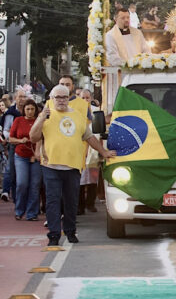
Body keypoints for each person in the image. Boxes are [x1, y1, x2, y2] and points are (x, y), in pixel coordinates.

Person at [30, 85, 116, 246]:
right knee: (53, 201)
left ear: (68, 98)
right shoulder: (45, 115)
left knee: (71, 202)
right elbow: (33, 137)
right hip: (51, 166)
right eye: (58, 97)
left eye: (64, 97)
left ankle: (70, 231)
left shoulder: (77, 115)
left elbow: (89, 137)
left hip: (73, 167)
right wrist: (41, 118)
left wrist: (104, 152)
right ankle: (54, 235)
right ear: (51, 98)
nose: (61, 100)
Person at [9, 99, 41, 221]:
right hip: (21, 155)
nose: (30, 111)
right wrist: (20, 141)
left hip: (35, 156)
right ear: (24, 110)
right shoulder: (18, 120)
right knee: (22, 183)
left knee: (35, 184)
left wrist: (37, 152)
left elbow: (42, 138)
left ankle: (32, 213)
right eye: (27, 109)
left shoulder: (39, 121)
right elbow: (11, 138)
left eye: (32, 109)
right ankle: (19, 210)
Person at [1, 88, 26, 202]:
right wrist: (10, 138)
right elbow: (6, 130)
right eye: (20, 97)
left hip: (27, 145)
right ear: (15, 98)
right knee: (12, 170)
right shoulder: (11, 113)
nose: (22, 99)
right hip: (14, 144)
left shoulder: (28, 110)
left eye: (24, 97)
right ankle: (13, 195)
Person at [77, 89, 99, 214]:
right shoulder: (75, 112)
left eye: (87, 98)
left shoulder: (95, 112)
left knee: (92, 178)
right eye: (83, 98)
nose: (85, 100)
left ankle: (90, 203)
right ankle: (80, 206)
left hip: (92, 148)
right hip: (80, 148)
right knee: (80, 179)